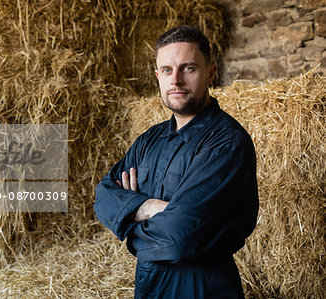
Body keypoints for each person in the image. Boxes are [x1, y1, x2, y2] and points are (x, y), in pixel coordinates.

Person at [94, 25, 259, 298]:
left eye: (189, 68)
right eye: (168, 70)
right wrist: (150, 207)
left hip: (202, 288)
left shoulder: (226, 142)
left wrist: (129, 221)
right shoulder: (149, 140)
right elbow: (103, 197)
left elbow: (180, 238)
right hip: (148, 284)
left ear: (211, 73)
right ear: (158, 76)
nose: (176, 81)